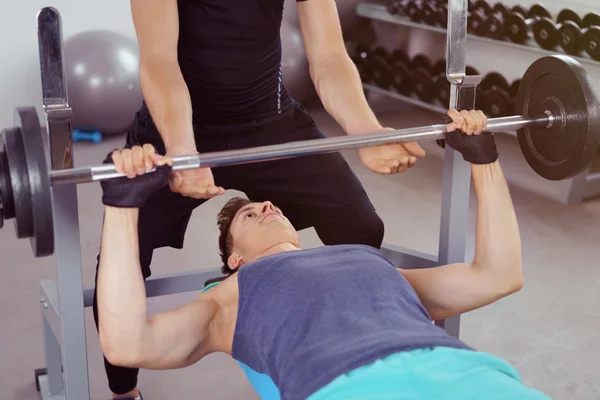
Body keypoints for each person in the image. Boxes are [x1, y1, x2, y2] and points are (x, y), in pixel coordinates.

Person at [93, 0, 427, 396]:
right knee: (121, 262)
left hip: (270, 121)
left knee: (361, 226)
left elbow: (329, 57)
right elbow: (160, 63)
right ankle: (123, 391)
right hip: (179, 127)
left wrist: (366, 132)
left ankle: (356, 347)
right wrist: (184, 152)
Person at [96, 109, 550, 400]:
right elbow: (125, 344)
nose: (267, 206)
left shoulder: (366, 259)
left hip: (472, 376)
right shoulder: (228, 298)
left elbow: (500, 274)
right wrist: (123, 208)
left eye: (266, 204)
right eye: (250, 216)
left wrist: (485, 159)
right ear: (235, 260)